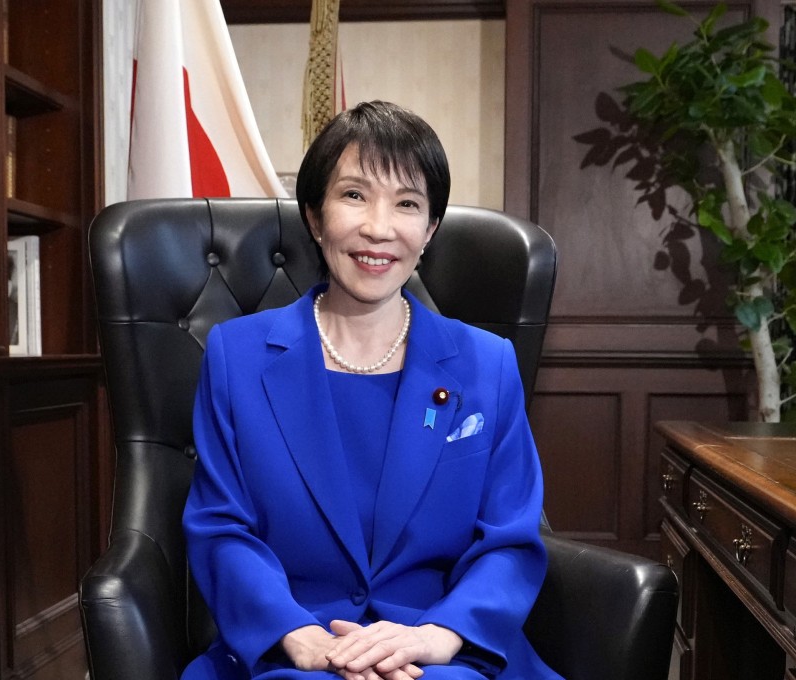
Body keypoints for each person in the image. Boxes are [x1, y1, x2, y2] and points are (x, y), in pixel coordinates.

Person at [182, 101, 563, 680]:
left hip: (440, 651)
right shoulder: (236, 357)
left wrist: (438, 635)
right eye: (354, 195)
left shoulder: (488, 364)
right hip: (295, 653)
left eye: (407, 204)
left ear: (430, 229)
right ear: (314, 216)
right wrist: (297, 634)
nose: (379, 228)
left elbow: (510, 538)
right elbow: (219, 526)